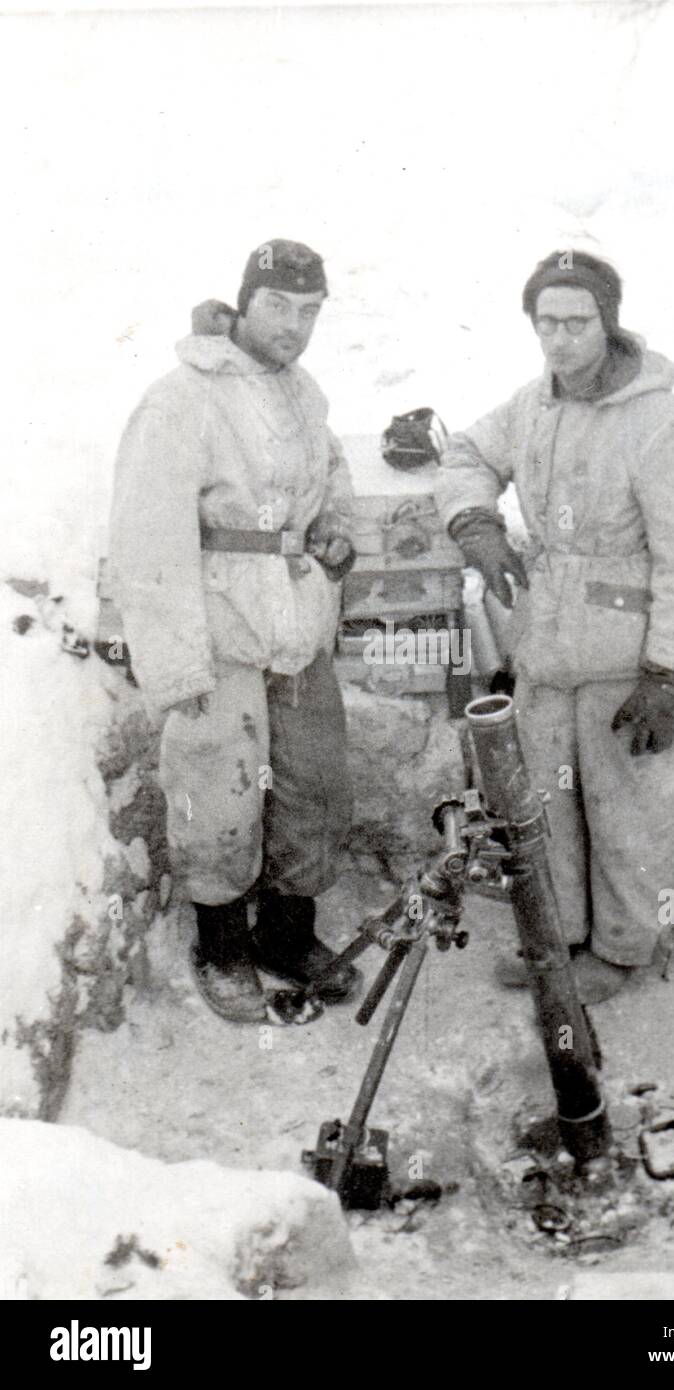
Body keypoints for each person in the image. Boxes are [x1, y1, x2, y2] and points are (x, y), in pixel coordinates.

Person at [434, 249, 674, 1002]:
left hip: (628, 664)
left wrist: (669, 674)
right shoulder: (531, 407)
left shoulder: (657, 421)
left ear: (608, 322)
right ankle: (560, 936)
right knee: (548, 804)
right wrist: (476, 523)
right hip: (548, 650)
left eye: (577, 321)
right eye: (547, 323)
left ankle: (623, 952)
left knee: (631, 814)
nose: (561, 339)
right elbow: (465, 453)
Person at [109, 238, 361, 1022]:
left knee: (312, 787)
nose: (293, 326)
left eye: (310, 312)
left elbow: (333, 475)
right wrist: (178, 668)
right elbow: (148, 541)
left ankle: (287, 935)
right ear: (244, 303)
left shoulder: (304, 391)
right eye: (279, 307)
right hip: (221, 629)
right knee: (219, 794)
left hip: (298, 624)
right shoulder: (181, 398)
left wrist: (337, 533)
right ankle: (221, 948)